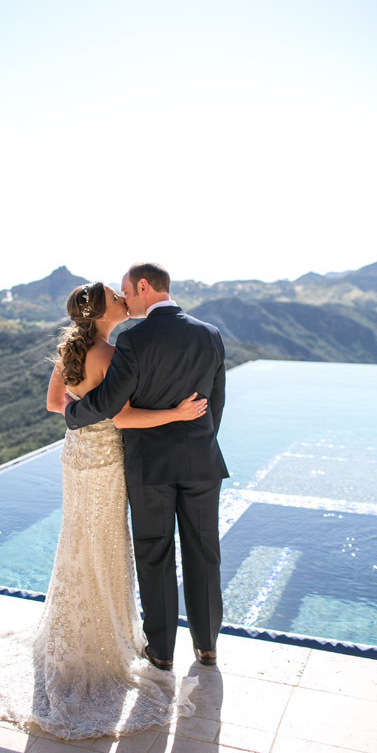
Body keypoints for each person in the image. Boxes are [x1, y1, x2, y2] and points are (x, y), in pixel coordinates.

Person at [0, 280, 206, 740]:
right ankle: (99, 640)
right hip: (107, 460)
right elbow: (124, 417)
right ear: (102, 311)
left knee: (79, 541)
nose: (123, 300)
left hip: (76, 456)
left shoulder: (71, 349)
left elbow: (55, 403)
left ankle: (71, 634)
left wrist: (84, 408)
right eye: (116, 297)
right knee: (106, 544)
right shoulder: (112, 354)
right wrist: (177, 414)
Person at [65, 263, 229, 670]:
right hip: (201, 462)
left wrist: (71, 414)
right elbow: (217, 403)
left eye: (126, 292)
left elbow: (108, 403)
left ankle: (162, 652)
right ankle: (207, 647)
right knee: (204, 553)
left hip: (149, 466)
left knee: (155, 556)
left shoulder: (133, 339)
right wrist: (200, 443)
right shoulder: (210, 334)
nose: (125, 301)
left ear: (143, 286)